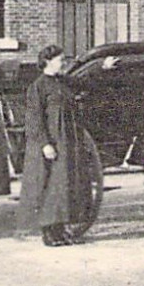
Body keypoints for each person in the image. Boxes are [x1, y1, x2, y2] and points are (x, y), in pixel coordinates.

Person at [18, 44, 89, 246]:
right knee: (49, 185)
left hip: (66, 139)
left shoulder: (63, 82)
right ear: (48, 62)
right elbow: (34, 118)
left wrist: (105, 67)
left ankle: (61, 230)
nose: (63, 64)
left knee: (64, 185)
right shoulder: (38, 87)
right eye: (60, 60)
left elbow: (84, 82)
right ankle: (48, 233)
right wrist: (45, 144)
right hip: (51, 142)